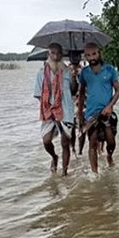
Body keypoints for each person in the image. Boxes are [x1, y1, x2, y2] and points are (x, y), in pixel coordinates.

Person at [33, 43, 78, 176]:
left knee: (65, 142)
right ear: (48, 54)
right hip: (48, 111)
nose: (56, 56)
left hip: (66, 110)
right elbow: (38, 95)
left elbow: (74, 91)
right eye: (53, 53)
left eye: (59, 53)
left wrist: (74, 76)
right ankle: (54, 157)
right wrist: (50, 109)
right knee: (46, 141)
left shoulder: (67, 71)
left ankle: (64, 172)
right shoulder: (41, 73)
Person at [77, 42, 119, 174]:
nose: (92, 57)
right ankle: (95, 173)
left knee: (111, 141)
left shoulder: (110, 70)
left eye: (94, 54)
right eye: (88, 55)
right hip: (91, 113)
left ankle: (109, 156)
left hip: (106, 112)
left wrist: (110, 106)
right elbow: (81, 94)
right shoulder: (84, 73)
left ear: (99, 53)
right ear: (85, 57)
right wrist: (80, 113)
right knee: (92, 143)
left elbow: (118, 91)